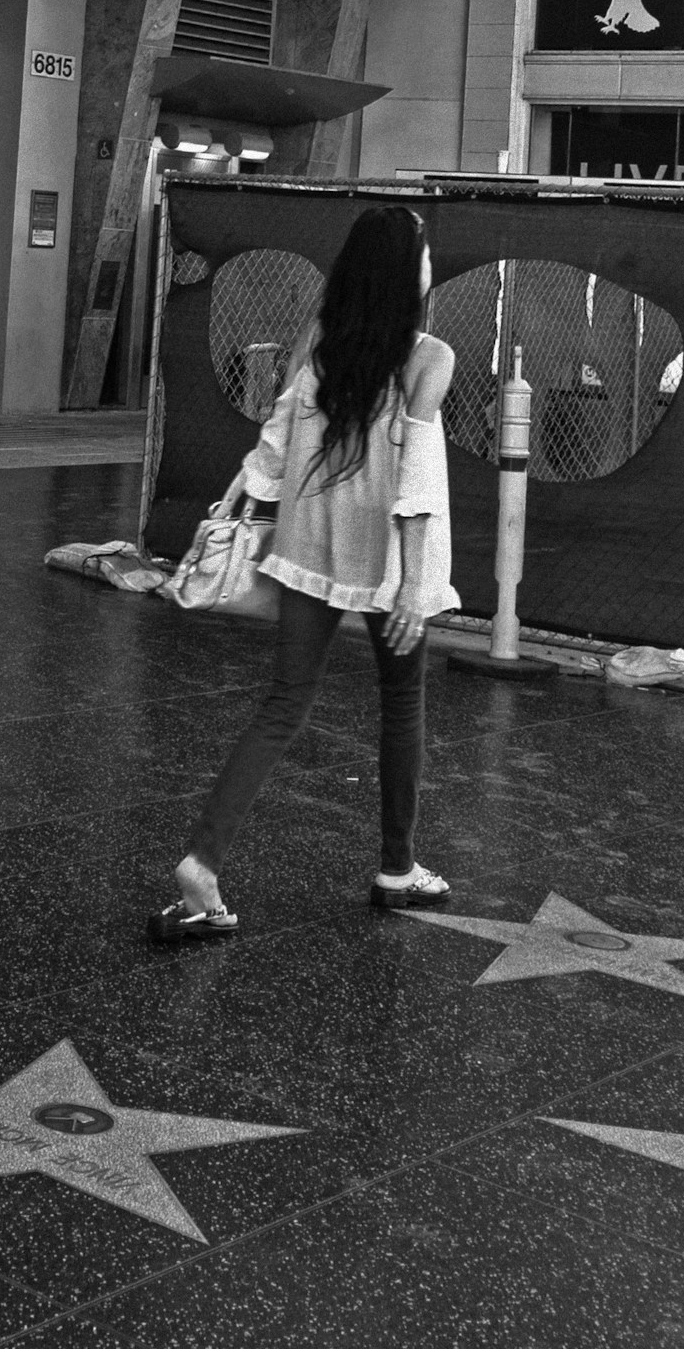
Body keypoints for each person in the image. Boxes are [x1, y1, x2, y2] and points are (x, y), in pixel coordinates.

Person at [149, 207, 460, 945]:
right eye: (423, 252)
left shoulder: (319, 347)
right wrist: (416, 582)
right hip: (384, 560)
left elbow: (273, 447)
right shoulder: (429, 358)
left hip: (307, 546)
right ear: (407, 271)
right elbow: (415, 479)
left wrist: (232, 516)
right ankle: (397, 867)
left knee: (283, 705)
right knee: (401, 705)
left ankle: (202, 863)